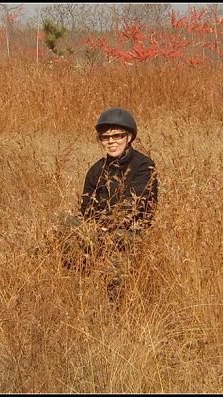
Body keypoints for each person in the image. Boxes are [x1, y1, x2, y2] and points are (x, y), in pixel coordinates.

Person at [57, 107, 158, 302]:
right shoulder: (96, 170)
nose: (111, 141)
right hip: (97, 231)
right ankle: (73, 281)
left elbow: (133, 206)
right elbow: (86, 209)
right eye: (105, 138)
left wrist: (105, 226)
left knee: (118, 243)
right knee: (62, 221)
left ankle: (115, 303)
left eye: (117, 136)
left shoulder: (144, 166)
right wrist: (94, 228)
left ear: (129, 136)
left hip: (130, 232)